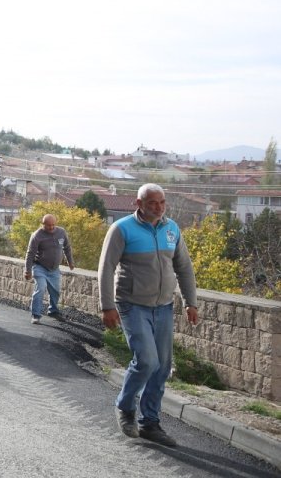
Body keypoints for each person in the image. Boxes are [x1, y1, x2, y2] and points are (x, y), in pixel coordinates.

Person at [98, 183, 198, 448]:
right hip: (132, 305)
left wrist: (191, 302)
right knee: (147, 361)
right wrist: (107, 306)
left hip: (163, 306)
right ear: (138, 203)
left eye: (162, 202)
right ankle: (124, 406)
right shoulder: (121, 229)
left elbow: (184, 268)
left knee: (162, 367)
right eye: (152, 202)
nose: (158, 207)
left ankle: (150, 423)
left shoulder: (171, 229)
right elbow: (106, 268)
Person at [24, 214, 74, 324]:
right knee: (40, 288)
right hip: (40, 267)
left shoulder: (61, 232)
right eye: (48, 225)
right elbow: (30, 254)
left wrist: (70, 262)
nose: (51, 227)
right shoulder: (37, 235)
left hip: (54, 269)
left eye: (53, 225)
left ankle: (53, 311)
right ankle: (36, 315)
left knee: (55, 292)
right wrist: (27, 270)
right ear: (43, 224)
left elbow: (67, 248)